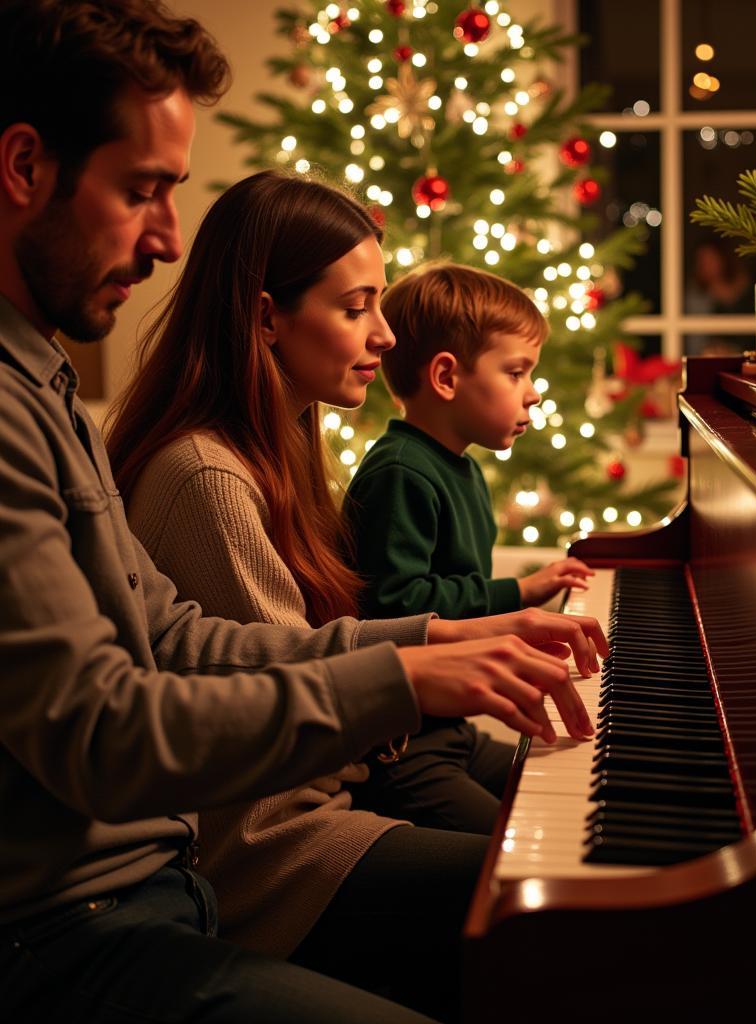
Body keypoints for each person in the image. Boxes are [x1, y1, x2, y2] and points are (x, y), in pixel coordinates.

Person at [0, 3, 603, 1022]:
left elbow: (179, 638)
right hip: (85, 924)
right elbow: (104, 726)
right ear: (23, 166)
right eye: (142, 189)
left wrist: (439, 636)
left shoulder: (43, 377)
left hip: (160, 885)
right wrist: (409, 676)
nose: (168, 237)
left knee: (576, 909)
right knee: (568, 921)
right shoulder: (169, 460)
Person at [342, 263, 595, 833]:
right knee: (506, 848)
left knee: (560, 800)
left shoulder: (460, 469)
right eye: (516, 372)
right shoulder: (401, 472)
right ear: (447, 377)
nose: (532, 393)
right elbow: (394, 605)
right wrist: (519, 594)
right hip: (400, 750)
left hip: (449, 732)